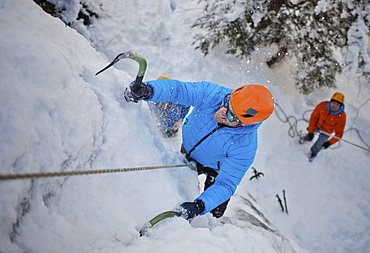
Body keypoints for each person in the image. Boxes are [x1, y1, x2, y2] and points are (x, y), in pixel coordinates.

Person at [124, 79, 274, 220]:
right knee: (174, 181)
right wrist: (150, 90)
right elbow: (179, 91)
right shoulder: (213, 94)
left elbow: (226, 184)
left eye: (230, 115)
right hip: (189, 151)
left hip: (216, 169)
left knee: (215, 212)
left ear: (244, 124)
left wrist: (199, 206)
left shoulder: (244, 147)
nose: (222, 111)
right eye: (228, 102)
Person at [300, 92, 346, 162]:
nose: (334, 106)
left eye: (337, 105)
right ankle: (307, 138)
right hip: (317, 125)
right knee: (310, 132)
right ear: (330, 102)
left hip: (327, 132)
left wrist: (329, 142)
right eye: (334, 103)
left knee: (320, 144)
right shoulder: (322, 105)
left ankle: (313, 153)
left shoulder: (342, 116)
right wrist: (311, 132)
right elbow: (313, 118)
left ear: (340, 106)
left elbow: (339, 134)